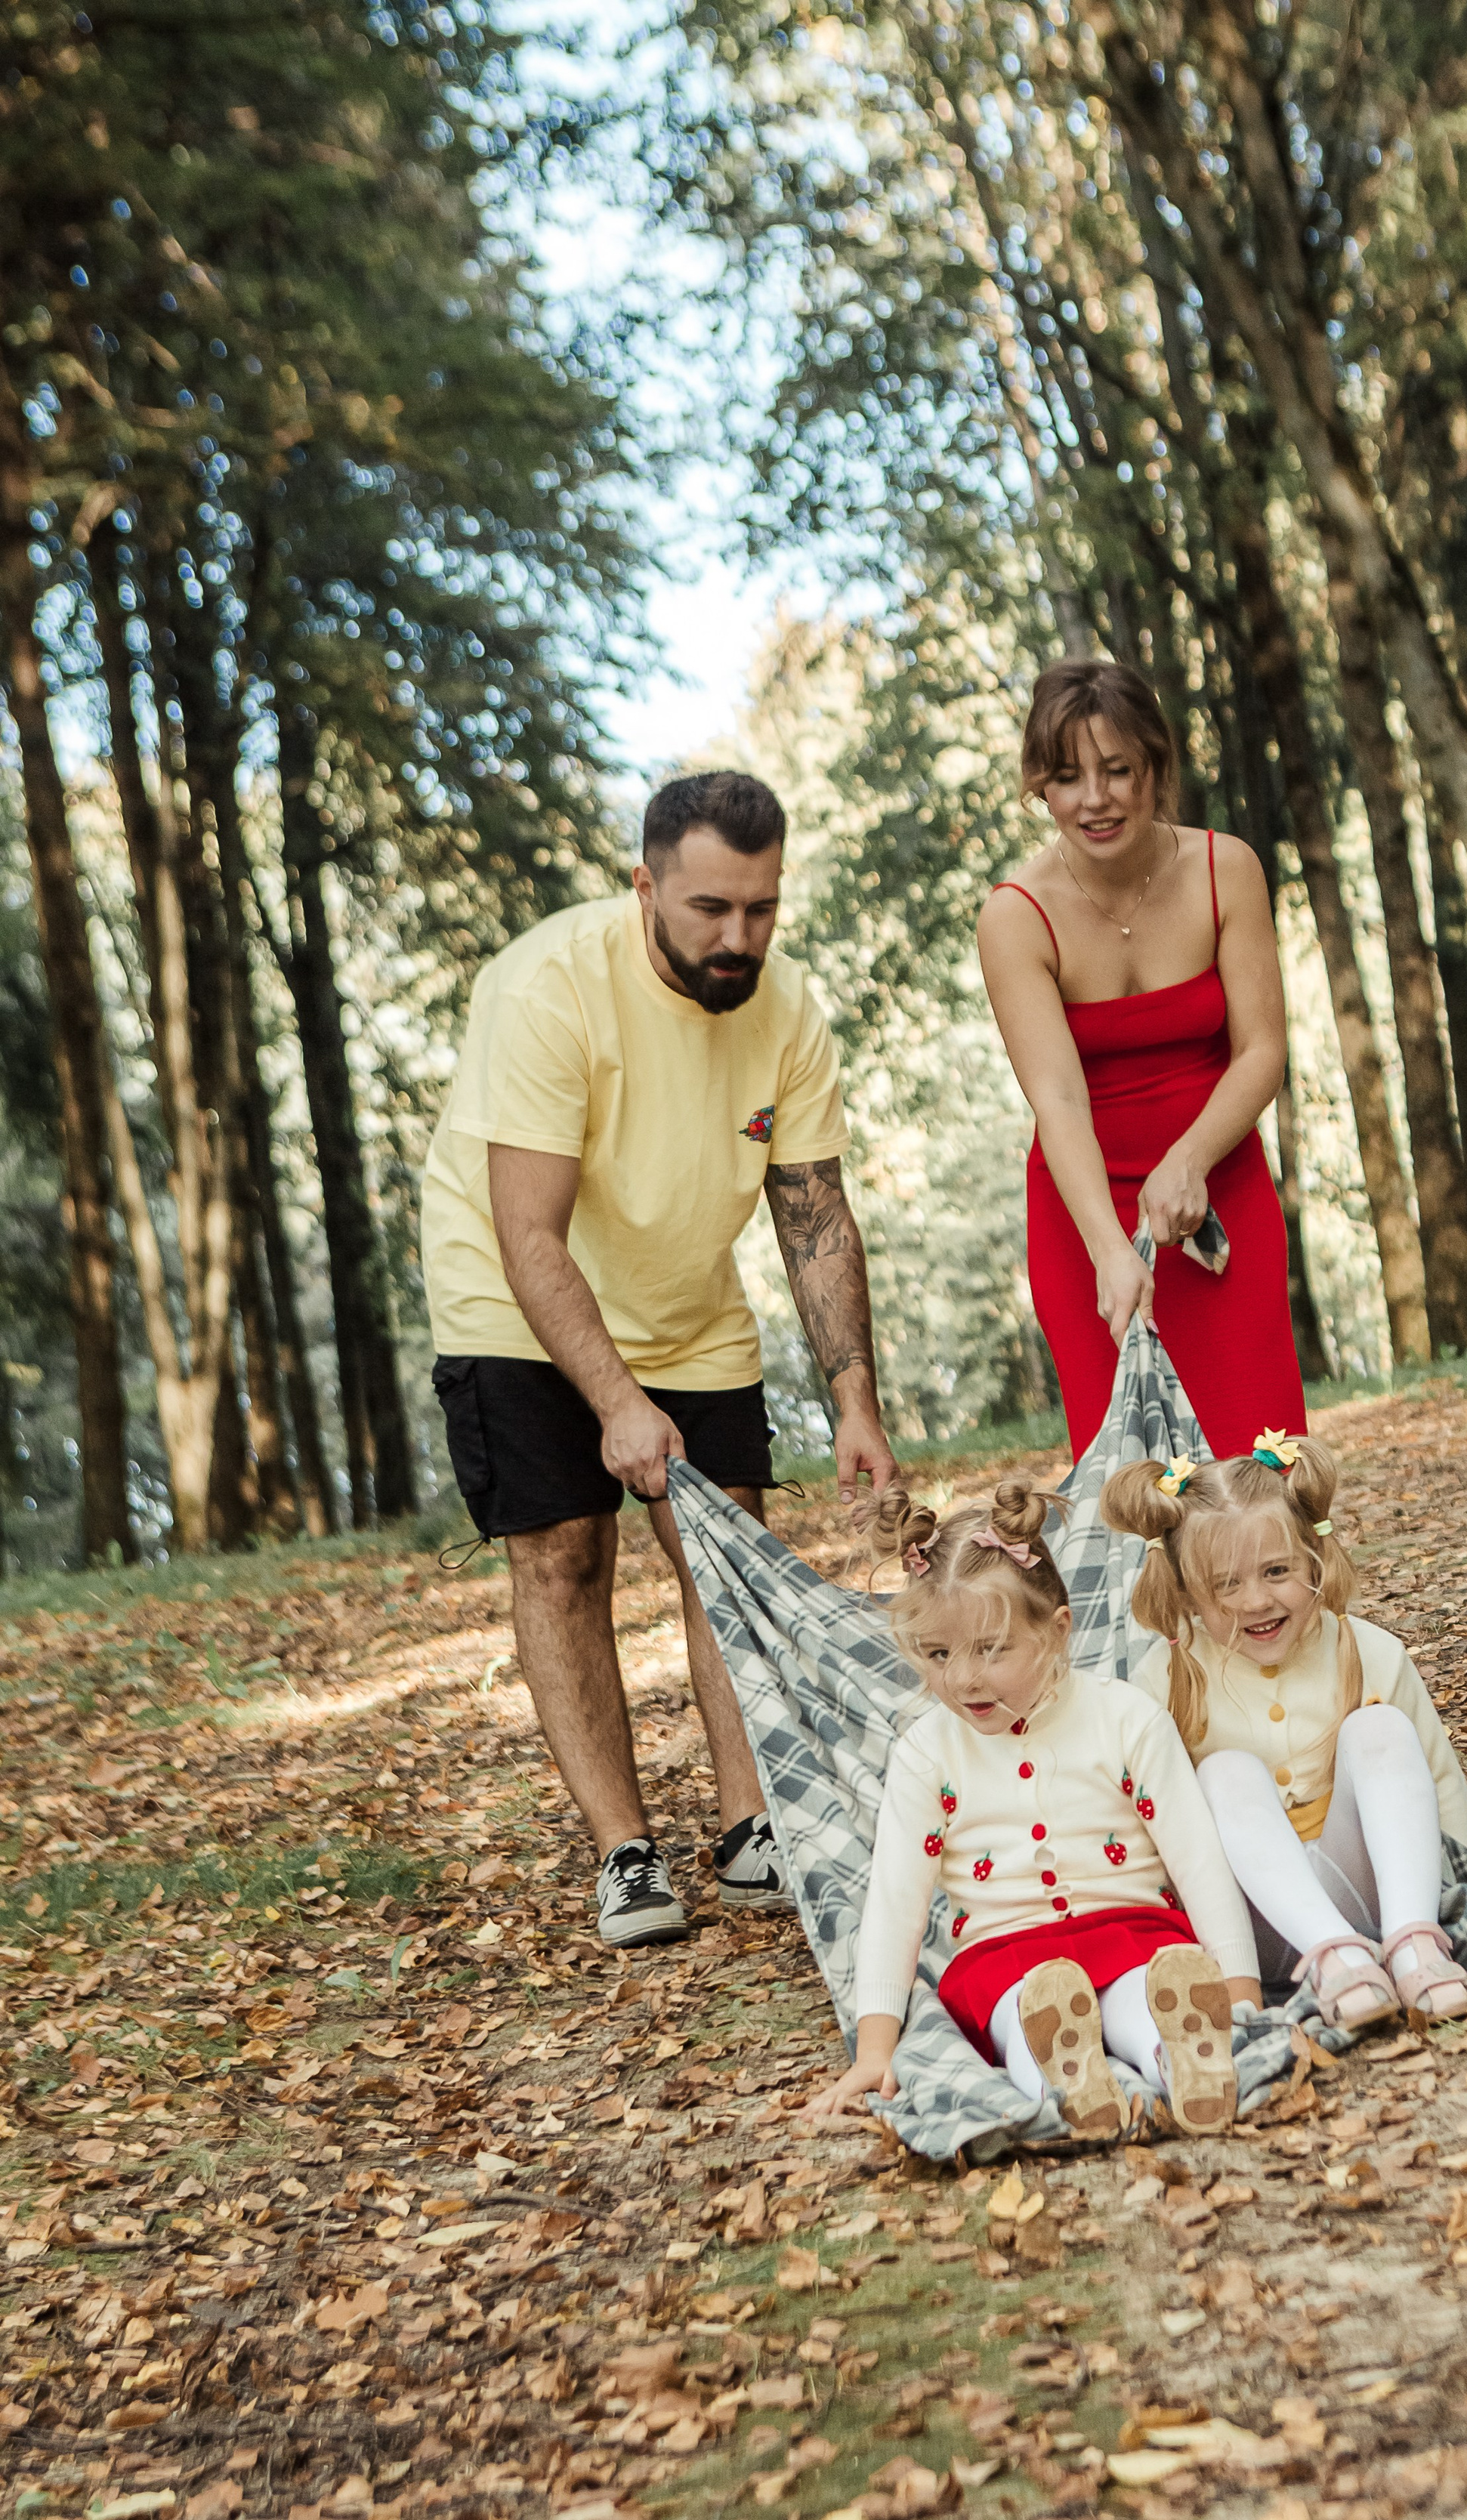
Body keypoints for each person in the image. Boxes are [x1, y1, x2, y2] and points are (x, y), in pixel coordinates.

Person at [421, 771, 898, 1950]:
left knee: (725, 1547)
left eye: (762, 908)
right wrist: (617, 1403)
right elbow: (528, 1231)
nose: (739, 938)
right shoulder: (547, 989)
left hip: (685, 1295)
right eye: (709, 910)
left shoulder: (786, 1011)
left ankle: (751, 1833)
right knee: (565, 1557)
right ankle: (624, 1854)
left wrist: (855, 1401)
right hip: (515, 1295)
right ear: (646, 886)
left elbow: (814, 1213)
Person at [808, 1478, 1260, 2139]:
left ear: (1056, 1632)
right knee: (1029, 2015)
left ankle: (1181, 2060)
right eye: (938, 1654)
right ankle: (1068, 2079)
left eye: (991, 1649)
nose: (963, 1678)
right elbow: (895, 1905)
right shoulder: (927, 1753)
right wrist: (875, 2049)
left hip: (1133, 1932)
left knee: (1148, 1998)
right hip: (1005, 1958)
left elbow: (1198, 1860)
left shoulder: (1125, 1719)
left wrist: (1241, 1988)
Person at [977, 656, 1307, 1460]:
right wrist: (1107, 1252)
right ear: (1039, 789)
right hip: (1084, 1210)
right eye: (1066, 777)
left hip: (1216, 1187)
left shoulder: (1226, 870)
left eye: (1117, 770)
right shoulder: (1015, 917)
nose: (1094, 798)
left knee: (1261, 1464)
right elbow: (1056, 1100)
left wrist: (1189, 1158)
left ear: (1157, 767)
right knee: (1139, 1486)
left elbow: (1262, 1050)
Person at [1101, 1434, 1467, 2028]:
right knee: (1224, 1772)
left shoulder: (1370, 1650)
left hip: (1383, 1899)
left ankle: (1416, 1949)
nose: (1256, 1600)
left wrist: (1462, 1899)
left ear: (1313, 1558)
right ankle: (1337, 1962)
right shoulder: (1163, 1682)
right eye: (1226, 1584)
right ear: (1187, 1593)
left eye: (1276, 1571)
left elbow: (1440, 1782)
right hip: (1256, 1931)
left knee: (1378, 1728)